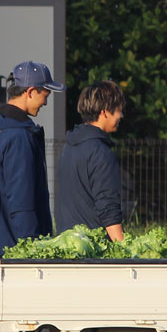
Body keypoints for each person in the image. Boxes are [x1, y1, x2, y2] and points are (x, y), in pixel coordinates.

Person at [0, 61, 65, 256]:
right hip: (7, 252)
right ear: (30, 91)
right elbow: (21, 201)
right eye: (45, 95)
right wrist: (33, 250)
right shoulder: (19, 136)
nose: (45, 103)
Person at [56, 81, 126, 240]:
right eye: (118, 110)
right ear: (105, 112)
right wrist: (125, 248)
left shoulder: (68, 147)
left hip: (67, 243)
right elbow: (108, 207)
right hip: (94, 247)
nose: (121, 116)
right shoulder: (101, 152)